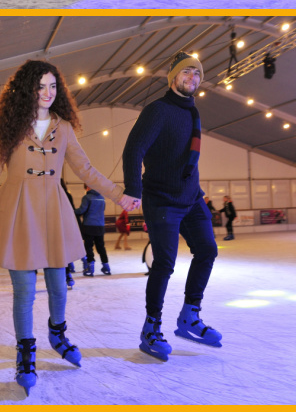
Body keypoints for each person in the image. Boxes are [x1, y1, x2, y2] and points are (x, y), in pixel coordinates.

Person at [0, 60, 139, 395]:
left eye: (53, 86)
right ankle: (25, 353)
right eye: (40, 86)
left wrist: (119, 194)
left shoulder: (64, 128)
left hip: (54, 212)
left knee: (59, 286)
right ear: (27, 90)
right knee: (24, 291)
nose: (47, 93)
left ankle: (58, 333)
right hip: (18, 212)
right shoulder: (11, 128)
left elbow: (85, 169)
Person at [123, 52, 221, 361]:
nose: (192, 78)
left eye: (197, 74)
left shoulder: (193, 113)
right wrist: (133, 189)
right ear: (173, 77)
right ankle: (151, 328)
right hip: (162, 199)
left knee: (207, 250)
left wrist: (199, 192)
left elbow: (185, 157)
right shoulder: (158, 111)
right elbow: (133, 149)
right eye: (186, 73)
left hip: (191, 198)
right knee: (164, 264)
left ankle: (190, 315)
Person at [75, 187, 111, 276]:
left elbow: (82, 210)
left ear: (88, 187)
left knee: (88, 246)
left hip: (89, 225)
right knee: (101, 247)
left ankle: (90, 267)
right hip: (100, 225)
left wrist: (72, 211)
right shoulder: (102, 198)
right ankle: (106, 266)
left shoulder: (87, 197)